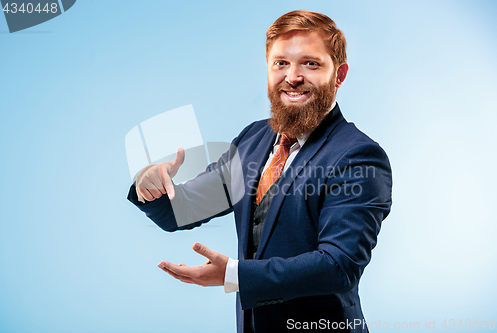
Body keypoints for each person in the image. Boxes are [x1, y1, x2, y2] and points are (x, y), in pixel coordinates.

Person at [127, 10, 392, 333]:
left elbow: (338, 266)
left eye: (310, 64)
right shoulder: (253, 139)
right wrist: (150, 185)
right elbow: (183, 209)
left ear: (339, 75)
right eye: (281, 63)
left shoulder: (359, 156)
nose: (292, 76)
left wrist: (234, 275)